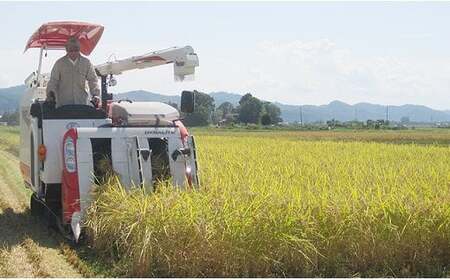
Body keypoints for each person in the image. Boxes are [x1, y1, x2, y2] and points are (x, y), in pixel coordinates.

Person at [46, 36, 101, 108]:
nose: (73, 52)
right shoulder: (59, 63)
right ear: (66, 50)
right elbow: (53, 81)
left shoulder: (86, 63)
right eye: (71, 50)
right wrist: (50, 95)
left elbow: (93, 79)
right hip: (64, 105)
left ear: (79, 49)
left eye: (76, 50)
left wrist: (95, 94)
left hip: (82, 103)